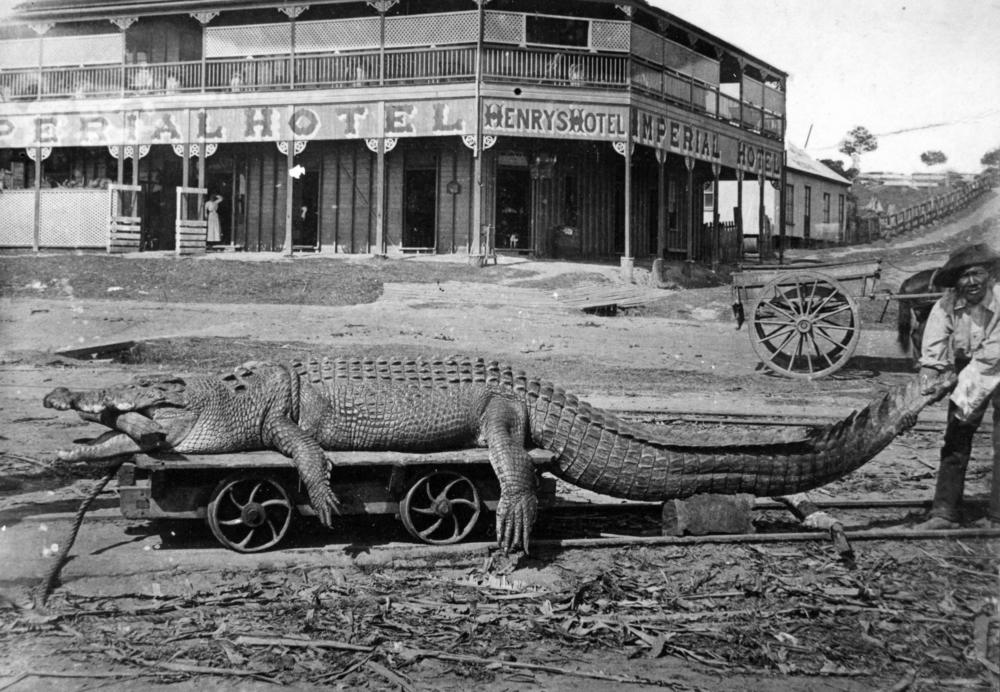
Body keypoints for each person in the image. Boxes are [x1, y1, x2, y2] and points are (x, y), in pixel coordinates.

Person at [915, 243, 1000, 529]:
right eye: (964, 277)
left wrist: (960, 382)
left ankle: (998, 517)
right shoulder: (947, 303)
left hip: (995, 362)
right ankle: (944, 512)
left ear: (989, 275)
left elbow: (992, 353)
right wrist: (929, 380)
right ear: (956, 282)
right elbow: (933, 344)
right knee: (956, 437)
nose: (972, 282)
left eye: (977, 274)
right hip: (972, 368)